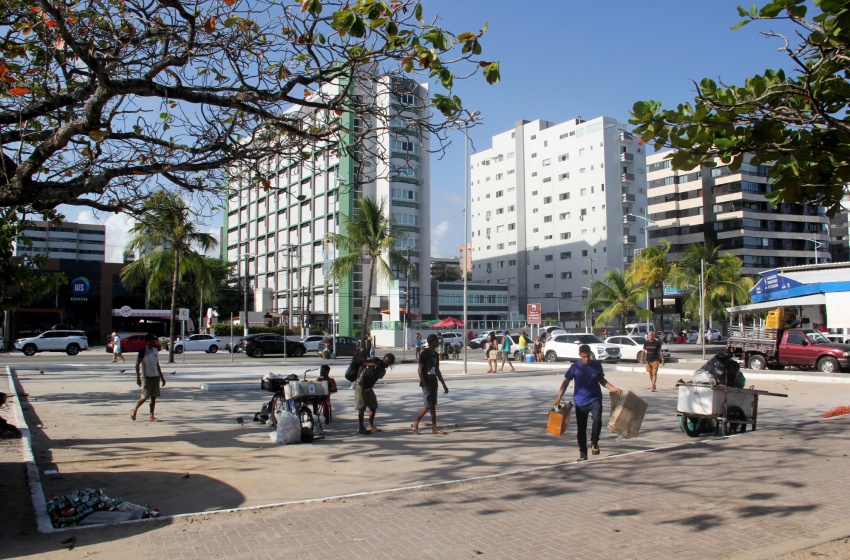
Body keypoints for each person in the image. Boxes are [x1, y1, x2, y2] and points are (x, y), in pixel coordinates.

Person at [553, 344, 621, 461]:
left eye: (588, 356)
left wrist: (613, 388)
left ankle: (594, 442)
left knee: (597, 419)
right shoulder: (575, 367)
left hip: (595, 398)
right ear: (580, 355)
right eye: (584, 357)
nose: (587, 359)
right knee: (581, 428)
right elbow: (566, 382)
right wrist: (559, 396)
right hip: (580, 402)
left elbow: (602, 380)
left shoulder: (597, 365)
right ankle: (583, 452)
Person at [412, 334, 450, 435]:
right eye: (437, 341)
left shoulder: (435, 355)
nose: (439, 342)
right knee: (428, 406)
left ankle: (434, 427)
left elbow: (437, 370)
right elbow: (420, 369)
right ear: (432, 342)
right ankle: (416, 423)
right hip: (426, 382)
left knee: (433, 406)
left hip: (434, 381)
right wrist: (424, 383)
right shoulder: (424, 354)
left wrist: (443, 384)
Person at [354, 352, 395, 434]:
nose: (387, 363)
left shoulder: (383, 370)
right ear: (384, 359)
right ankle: (361, 428)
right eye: (386, 361)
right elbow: (362, 363)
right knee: (361, 407)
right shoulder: (375, 360)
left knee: (373, 405)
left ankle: (370, 425)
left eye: (389, 363)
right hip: (360, 384)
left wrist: (370, 387)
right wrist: (373, 364)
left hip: (368, 387)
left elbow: (375, 379)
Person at [131, 333, 166, 422]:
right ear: (147, 341)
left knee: (153, 397)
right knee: (144, 396)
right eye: (152, 340)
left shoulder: (155, 350)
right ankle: (135, 409)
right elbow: (137, 364)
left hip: (156, 376)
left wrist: (162, 377)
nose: (154, 342)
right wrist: (138, 377)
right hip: (147, 377)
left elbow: (157, 364)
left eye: (154, 340)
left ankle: (151, 415)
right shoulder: (143, 351)